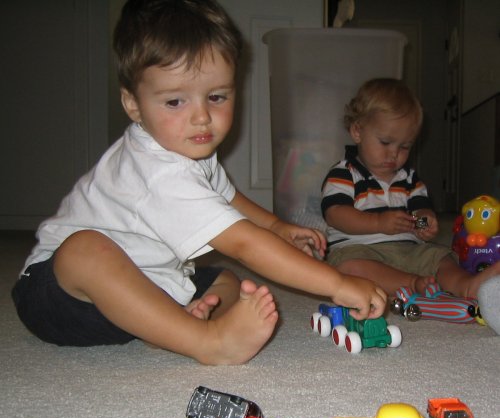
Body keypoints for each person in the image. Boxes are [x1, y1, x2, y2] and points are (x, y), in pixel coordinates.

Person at [11, 0, 386, 366]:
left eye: (217, 97)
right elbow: (242, 242)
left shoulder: (194, 153)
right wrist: (336, 283)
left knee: (223, 280)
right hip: (60, 296)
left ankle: (169, 326)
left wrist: (276, 226)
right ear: (133, 105)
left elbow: (228, 198)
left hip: (148, 282)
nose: (202, 117)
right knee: (85, 250)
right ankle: (209, 342)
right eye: (175, 102)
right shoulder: (158, 171)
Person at [322, 78, 500, 298]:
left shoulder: (409, 178)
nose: (394, 154)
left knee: (441, 258)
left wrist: (425, 224)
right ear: (357, 131)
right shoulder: (344, 173)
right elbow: (335, 215)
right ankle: (412, 284)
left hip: (409, 250)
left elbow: (420, 212)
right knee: (348, 270)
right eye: (385, 142)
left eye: (405, 146)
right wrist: (378, 222)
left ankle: (467, 285)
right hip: (359, 249)